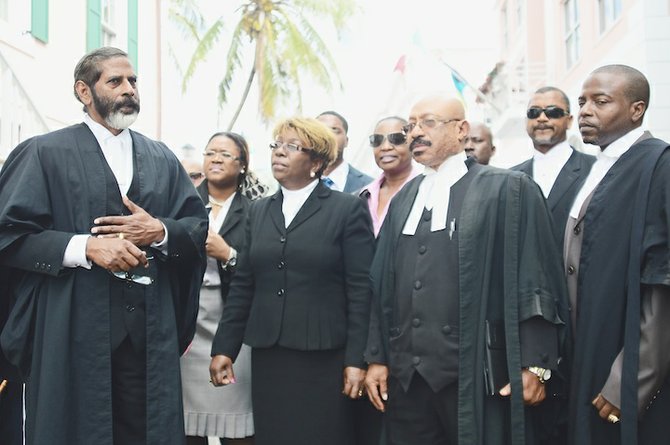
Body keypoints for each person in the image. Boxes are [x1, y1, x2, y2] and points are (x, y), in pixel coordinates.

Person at [0, 47, 208, 445]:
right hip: (70, 326)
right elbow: (9, 235)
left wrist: (160, 231)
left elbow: (195, 228)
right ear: (83, 91)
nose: (129, 89)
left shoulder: (161, 158)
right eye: (115, 81)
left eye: (133, 81)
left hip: (147, 333)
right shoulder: (43, 153)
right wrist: (85, 249)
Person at [364, 95, 568, 445]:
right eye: (410, 126)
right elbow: (382, 286)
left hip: (475, 374)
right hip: (407, 378)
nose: (415, 133)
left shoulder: (508, 189)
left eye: (427, 123)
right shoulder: (405, 198)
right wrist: (377, 357)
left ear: (461, 130)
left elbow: (536, 278)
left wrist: (536, 364)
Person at [209, 117, 374, 445]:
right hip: (270, 353)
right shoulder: (258, 211)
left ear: (316, 162)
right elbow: (244, 284)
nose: (279, 153)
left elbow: (360, 290)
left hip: (325, 355)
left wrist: (357, 360)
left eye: (292, 146)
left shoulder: (347, 209)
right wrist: (224, 348)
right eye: (276, 145)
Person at [565, 64, 670, 445]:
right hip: (585, 356)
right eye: (581, 101)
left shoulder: (659, 164)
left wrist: (630, 380)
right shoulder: (598, 166)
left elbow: (662, 283)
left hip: (622, 370)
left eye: (601, 101)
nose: (585, 111)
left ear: (636, 109)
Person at [181, 132, 260, 445]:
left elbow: (259, 271)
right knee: (186, 426)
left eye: (226, 154)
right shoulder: (183, 204)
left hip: (234, 324)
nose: (215, 158)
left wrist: (229, 254)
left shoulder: (256, 210)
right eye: (211, 152)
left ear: (242, 165)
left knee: (236, 424)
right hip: (188, 324)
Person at [512, 86, 595, 253]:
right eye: (534, 113)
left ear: (570, 120)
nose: (542, 118)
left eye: (553, 112)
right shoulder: (510, 177)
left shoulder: (595, 169)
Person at [360, 116, 421, 237]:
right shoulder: (362, 195)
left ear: (412, 143)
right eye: (377, 140)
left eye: (397, 139)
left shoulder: (425, 191)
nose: (385, 147)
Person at [317, 110, 373, 193]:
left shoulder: (369, 186)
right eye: (320, 131)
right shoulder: (295, 181)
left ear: (346, 141)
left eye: (334, 130)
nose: (327, 136)